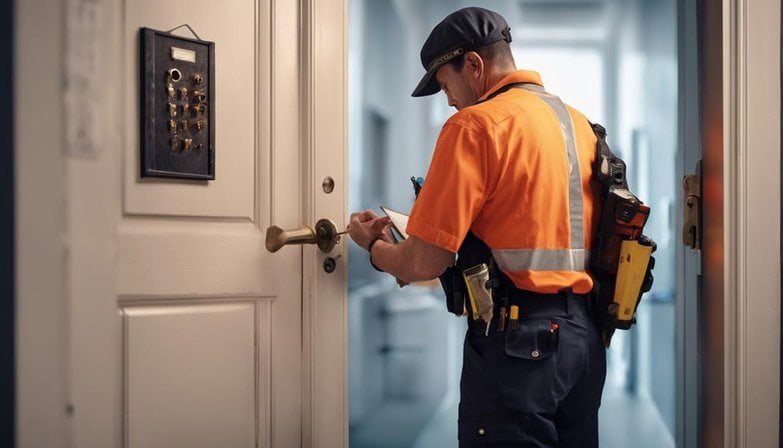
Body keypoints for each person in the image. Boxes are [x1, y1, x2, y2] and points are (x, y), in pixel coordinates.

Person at [348, 7, 606, 448]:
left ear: (473, 65)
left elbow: (424, 262)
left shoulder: (474, 126)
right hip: (584, 340)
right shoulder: (580, 125)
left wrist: (374, 246)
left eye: (446, 84)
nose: (448, 99)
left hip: (519, 346)